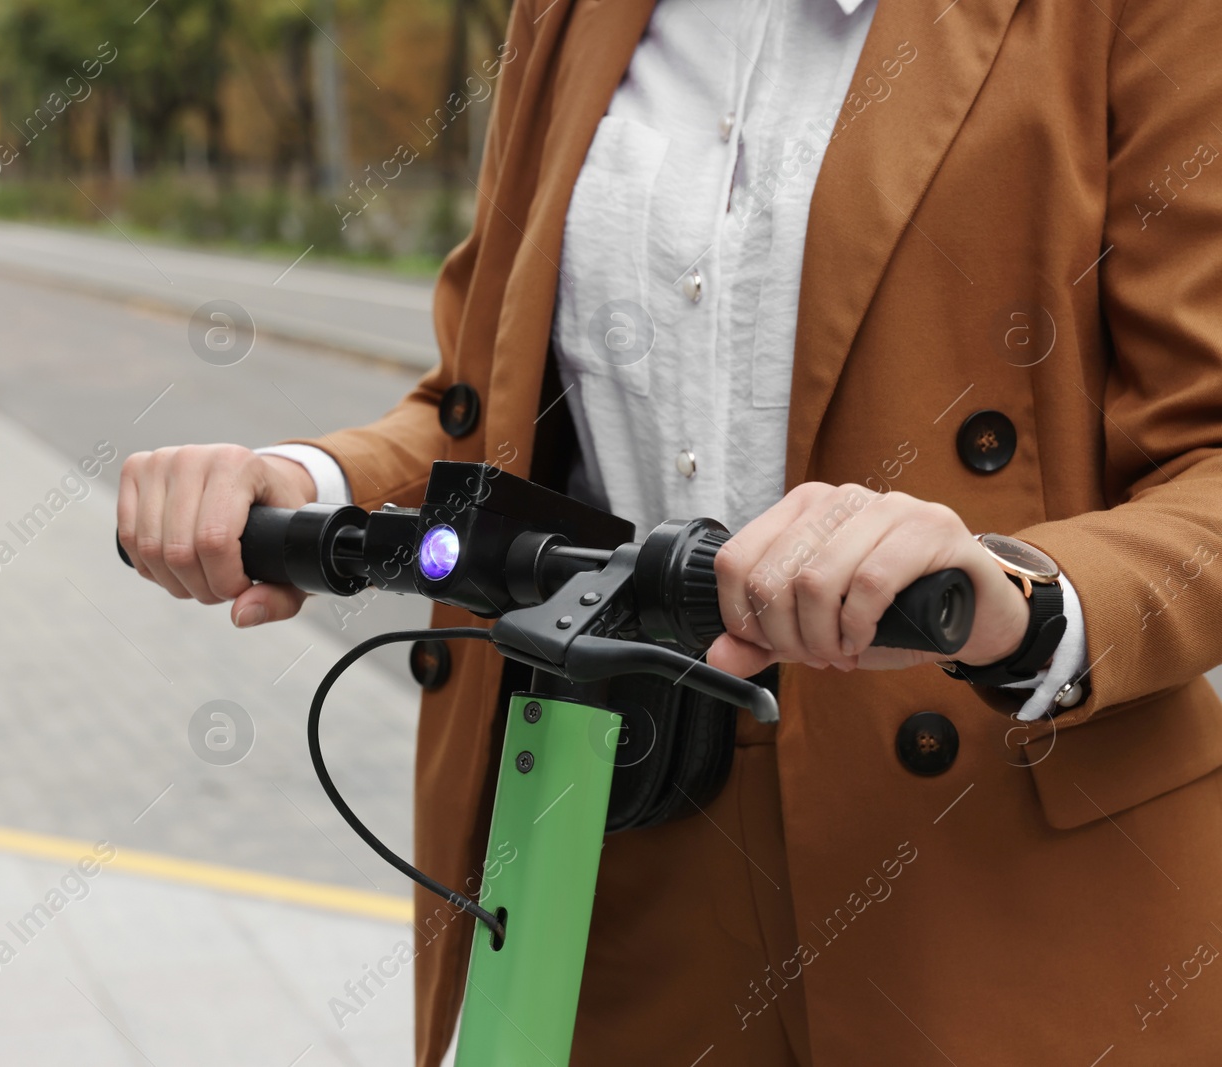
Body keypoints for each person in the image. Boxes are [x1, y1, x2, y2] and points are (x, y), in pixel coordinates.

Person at [118, 0, 1222, 1061]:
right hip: (620, 818)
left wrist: (1015, 597)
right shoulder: (564, 14)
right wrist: (307, 479)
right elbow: (489, 400)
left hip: (987, 856)